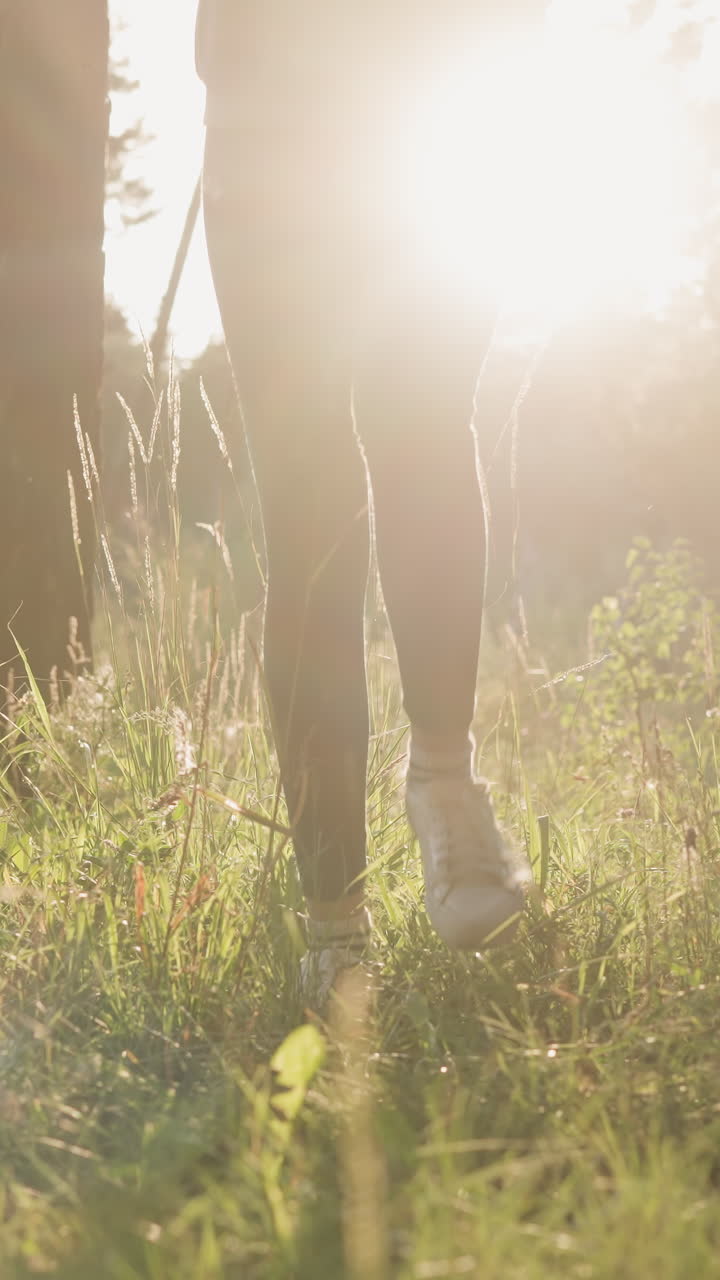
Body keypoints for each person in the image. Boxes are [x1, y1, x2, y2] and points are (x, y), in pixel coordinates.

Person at [195, 1, 541, 1001]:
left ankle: (443, 778)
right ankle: (335, 921)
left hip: (437, 93)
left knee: (426, 418)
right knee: (306, 510)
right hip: (267, 116)